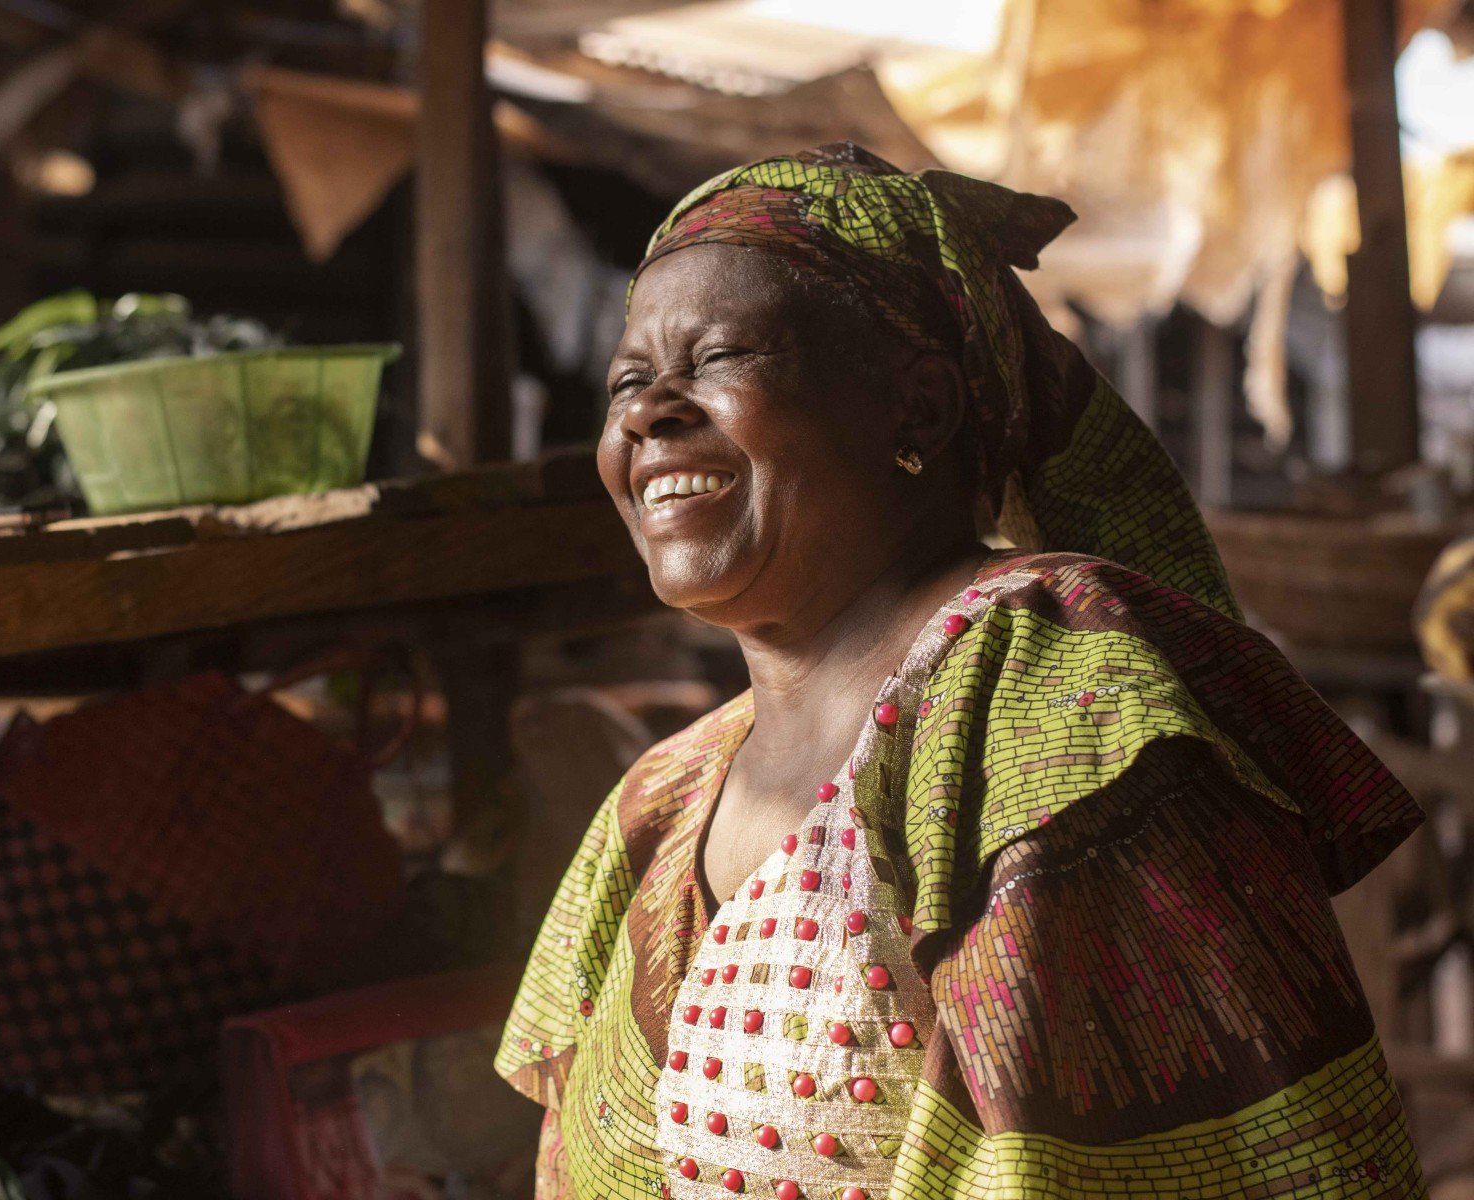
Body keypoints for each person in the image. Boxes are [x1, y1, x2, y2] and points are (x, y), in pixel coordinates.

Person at [494, 143, 1425, 1199]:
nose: (648, 412)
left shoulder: (1055, 696)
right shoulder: (661, 800)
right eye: (629, 377)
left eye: (716, 359)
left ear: (920, 411)